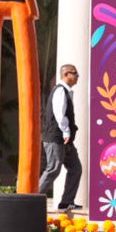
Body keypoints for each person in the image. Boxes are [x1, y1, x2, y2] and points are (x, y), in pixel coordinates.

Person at [40, 64, 81, 211]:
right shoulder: (60, 91)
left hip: (65, 139)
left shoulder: (68, 91)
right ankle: (33, 199)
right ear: (66, 75)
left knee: (75, 168)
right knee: (53, 169)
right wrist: (66, 132)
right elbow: (59, 114)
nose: (77, 76)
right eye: (75, 73)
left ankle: (66, 202)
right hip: (56, 138)